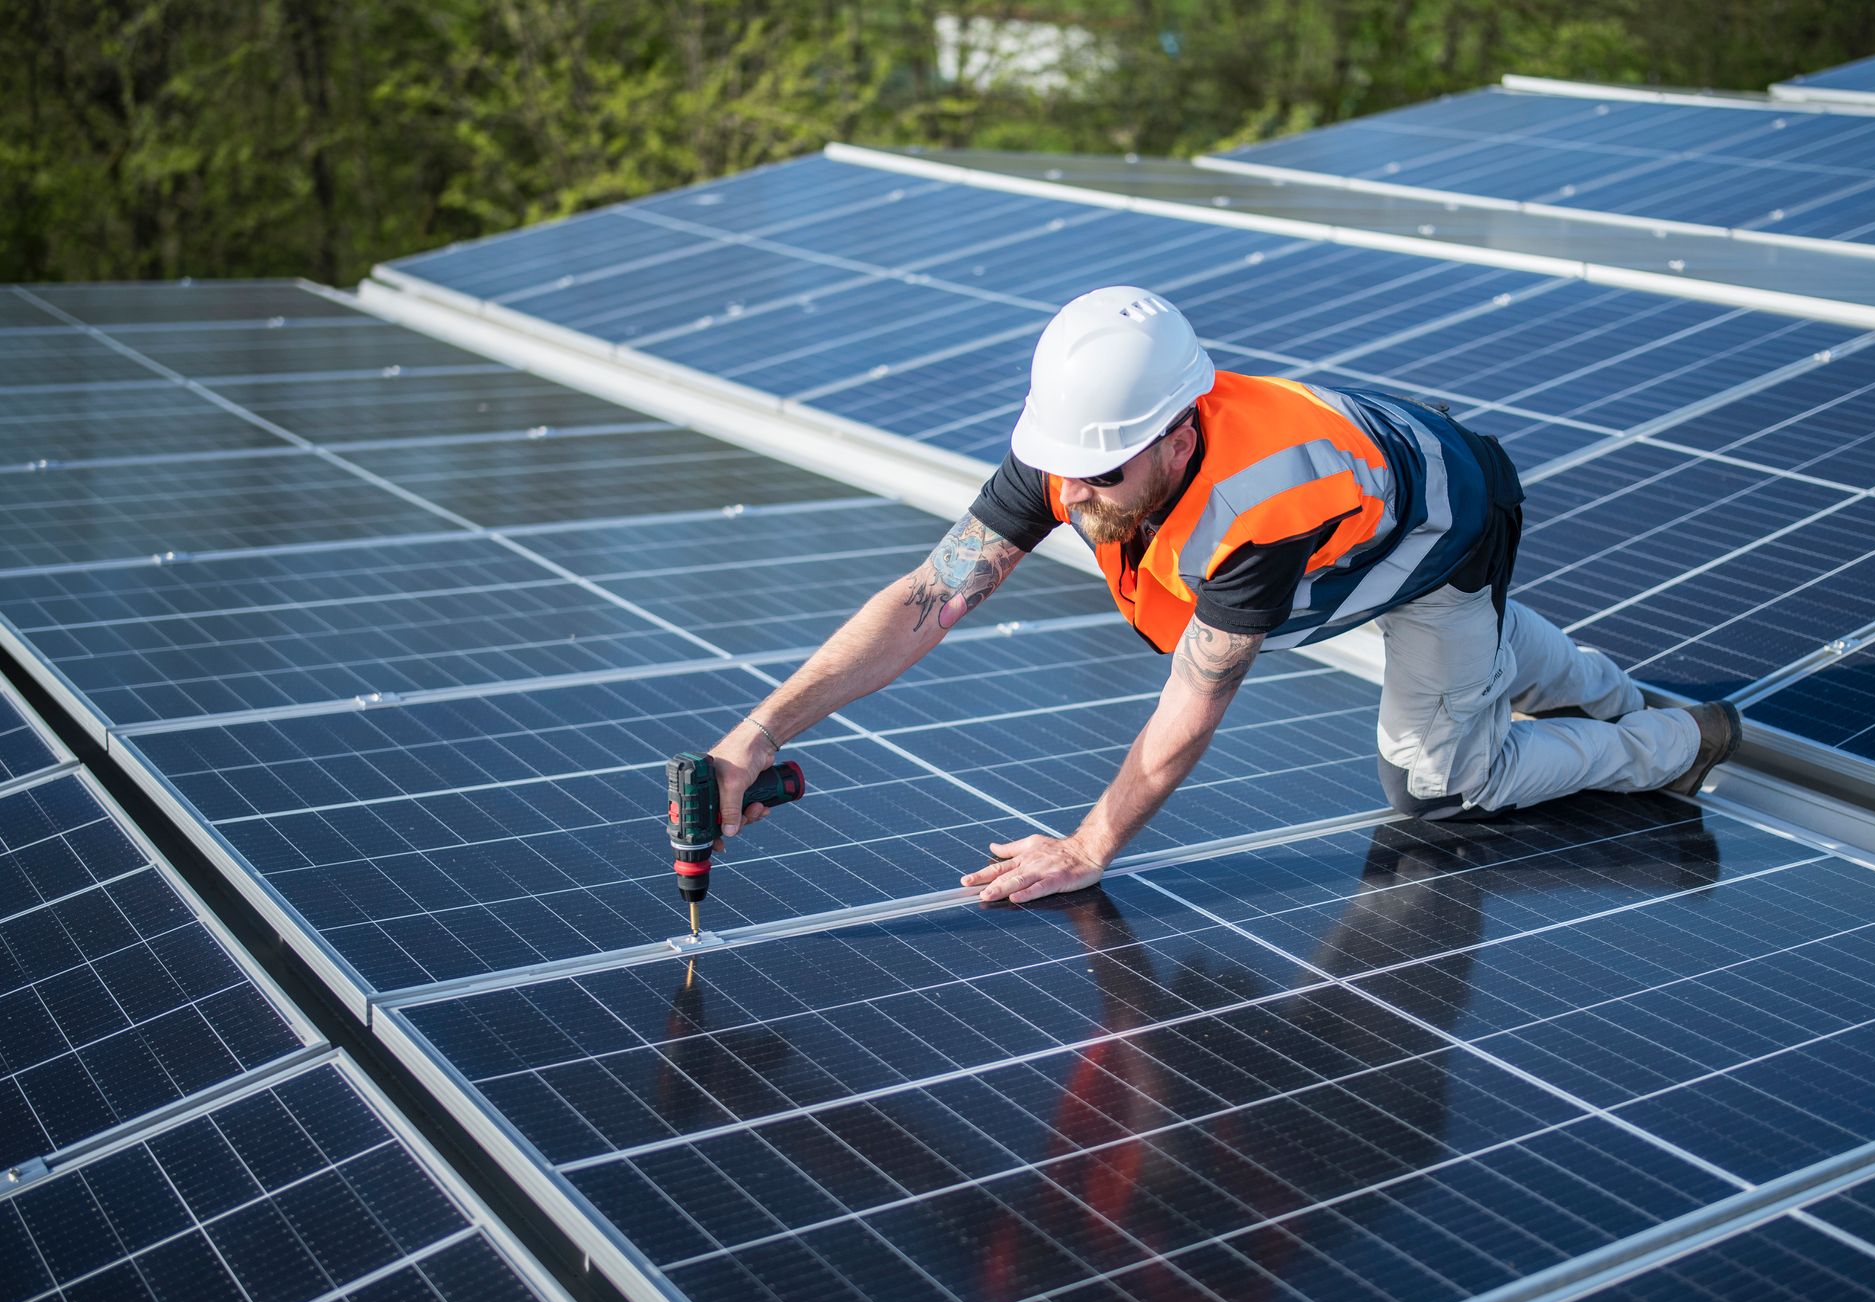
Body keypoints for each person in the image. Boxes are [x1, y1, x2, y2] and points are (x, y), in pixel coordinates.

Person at [705, 286, 1740, 904]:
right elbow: (931, 595)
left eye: (1103, 476)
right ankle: (1574, 680)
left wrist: (1088, 847)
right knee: (1474, 652)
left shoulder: (1263, 506)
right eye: (1066, 471)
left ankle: (1675, 741)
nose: (1078, 497)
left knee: (1439, 782)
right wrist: (761, 727)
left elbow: (1188, 714)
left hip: (1446, 529)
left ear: (1182, 430)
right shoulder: (1082, 452)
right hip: (1375, 520)